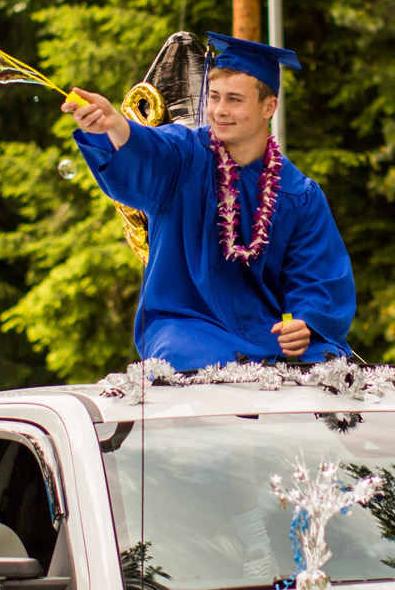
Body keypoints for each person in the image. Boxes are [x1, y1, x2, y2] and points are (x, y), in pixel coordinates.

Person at [67, 33, 355, 371]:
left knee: (330, 364)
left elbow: (317, 275)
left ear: (269, 107)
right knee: (209, 363)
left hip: (267, 330)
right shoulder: (185, 158)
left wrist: (304, 322)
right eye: (214, 97)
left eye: (234, 100)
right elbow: (149, 151)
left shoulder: (298, 194)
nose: (219, 111)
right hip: (187, 323)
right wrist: (115, 125)